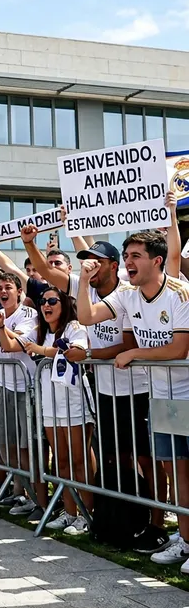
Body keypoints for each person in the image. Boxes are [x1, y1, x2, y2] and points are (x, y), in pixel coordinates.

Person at [77, 231, 189, 569]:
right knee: (178, 471)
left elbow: (179, 349)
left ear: (157, 261)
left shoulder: (179, 294)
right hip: (162, 398)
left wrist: (135, 352)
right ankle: (184, 541)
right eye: (126, 255)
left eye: (136, 255)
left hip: (184, 395)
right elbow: (85, 317)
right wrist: (83, 282)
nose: (128, 261)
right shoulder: (128, 296)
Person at [20, 287, 93, 534]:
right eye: (43, 301)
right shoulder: (39, 331)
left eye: (52, 300)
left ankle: (86, 514)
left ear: (63, 304)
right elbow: (15, 342)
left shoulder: (74, 326)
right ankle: (70, 513)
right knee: (61, 460)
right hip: (50, 404)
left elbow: (75, 352)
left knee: (78, 460)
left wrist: (40, 350)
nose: (46, 305)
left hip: (73, 401)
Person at [0, 272, 43, 522]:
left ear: (19, 291)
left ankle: (39, 499)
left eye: (8, 288)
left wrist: (0, 326)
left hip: (26, 388)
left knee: (28, 447)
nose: (3, 292)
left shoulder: (29, 315)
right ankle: (19, 490)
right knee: (5, 442)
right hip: (4, 385)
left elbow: (16, 346)